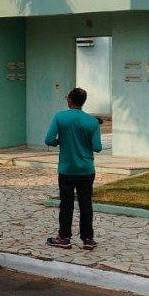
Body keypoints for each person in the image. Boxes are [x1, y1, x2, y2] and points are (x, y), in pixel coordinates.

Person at [44, 87, 103, 251]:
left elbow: (48, 139)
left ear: (70, 100)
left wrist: (59, 142)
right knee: (86, 204)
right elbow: (97, 147)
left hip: (66, 169)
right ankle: (88, 239)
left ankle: (64, 237)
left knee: (67, 204)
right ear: (83, 102)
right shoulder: (92, 122)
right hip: (86, 170)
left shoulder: (60, 117)